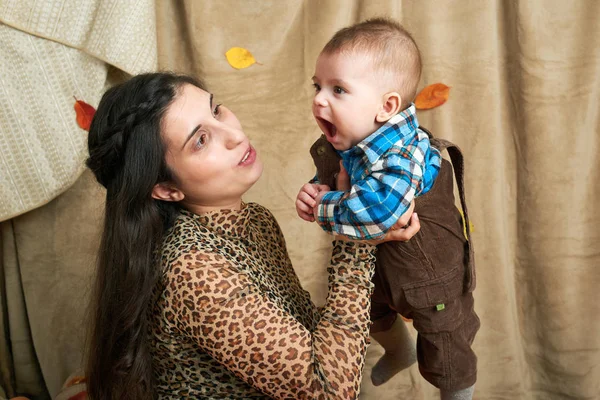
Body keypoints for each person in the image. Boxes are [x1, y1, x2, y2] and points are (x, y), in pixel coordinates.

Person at [84, 72, 420, 400]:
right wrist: (356, 235)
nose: (233, 135)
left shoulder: (255, 219)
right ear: (166, 189)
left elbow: (299, 329)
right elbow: (328, 390)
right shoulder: (192, 271)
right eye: (201, 139)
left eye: (216, 110)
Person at [295, 18, 480, 399]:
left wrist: (323, 208)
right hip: (384, 267)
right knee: (371, 314)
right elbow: (338, 182)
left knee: (447, 350)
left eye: (338, 89)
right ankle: (400, 351)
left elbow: (380, 212)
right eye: (318, 86)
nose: (319, 99)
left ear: (387, 106)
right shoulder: (355, 138)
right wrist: (318, 189)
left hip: (430, 277)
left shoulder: (401, 153)